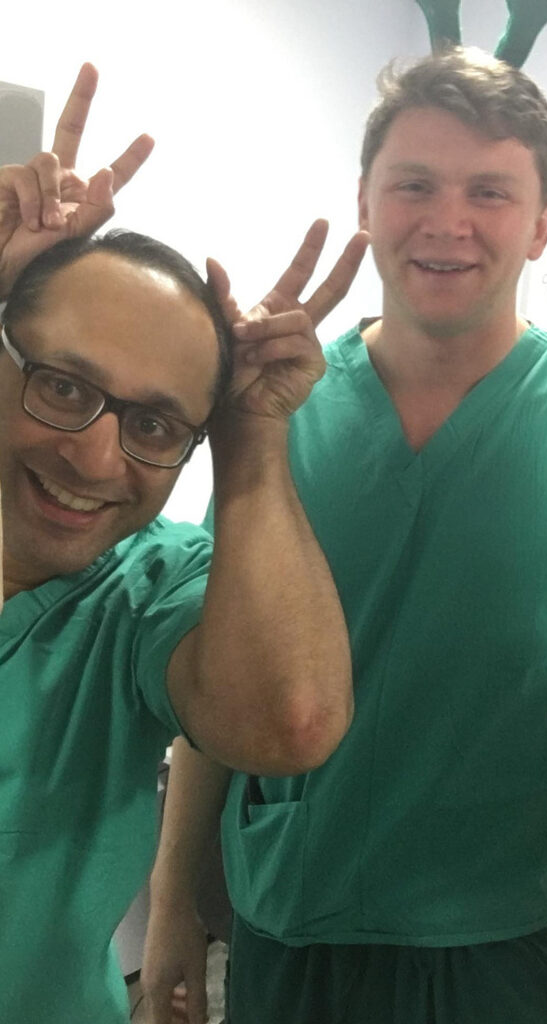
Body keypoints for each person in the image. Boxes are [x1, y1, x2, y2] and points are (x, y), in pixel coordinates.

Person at [143, 47, 547, 1024]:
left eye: (489, 191)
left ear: (541, 224)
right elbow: (218, 688)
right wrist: (168, 914)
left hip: (496, 948)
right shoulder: (277, 410)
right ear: (365, 204)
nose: (446, 222)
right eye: (414, 184)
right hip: (285, 928)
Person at [0, 65, 361, 1023]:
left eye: (157, 425)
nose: (94, 454)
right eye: (64, 387)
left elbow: (291, 724)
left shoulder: (145, 589)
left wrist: (251, 442)